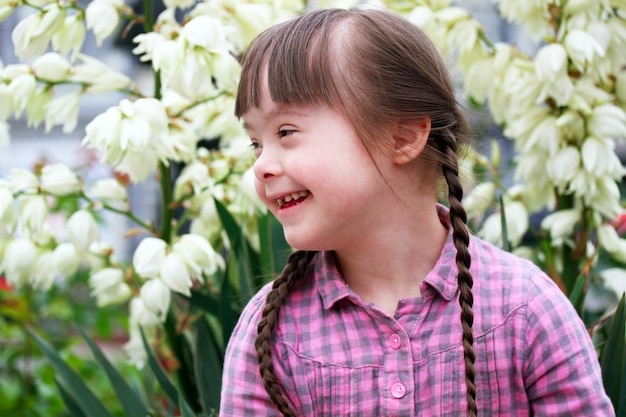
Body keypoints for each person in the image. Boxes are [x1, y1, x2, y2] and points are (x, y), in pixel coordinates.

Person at [219, 7, 615, 417]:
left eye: (286, 132)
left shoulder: (524, 310)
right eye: (256, 142)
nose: (261, 165)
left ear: (403, 137)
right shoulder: (271, 333)